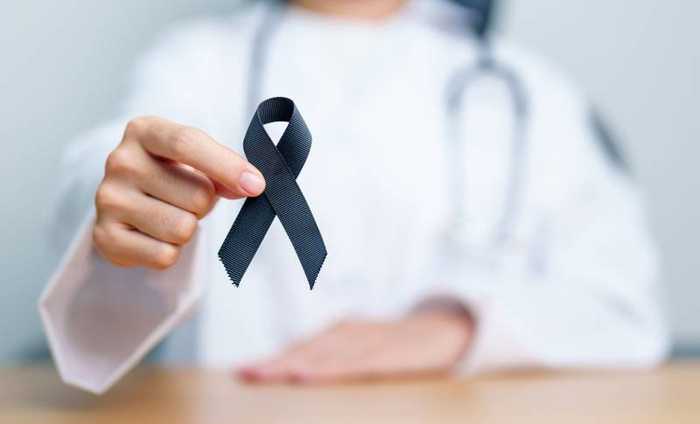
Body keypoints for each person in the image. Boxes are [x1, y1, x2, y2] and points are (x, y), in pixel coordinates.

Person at [40, 0, 669, 393]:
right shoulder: (196, 64)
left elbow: (623, 306)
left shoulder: (530, 91)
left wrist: (458, 327)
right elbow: (116, 172)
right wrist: (123, 200)